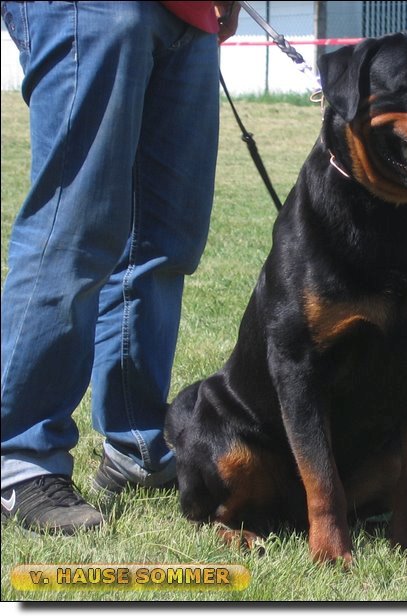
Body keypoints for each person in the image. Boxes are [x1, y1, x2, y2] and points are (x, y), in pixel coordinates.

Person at [1, 1, 240, 535]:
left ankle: (136, 446)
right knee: (74, 226)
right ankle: (21, 458)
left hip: (191, 15)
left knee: (162, 242)